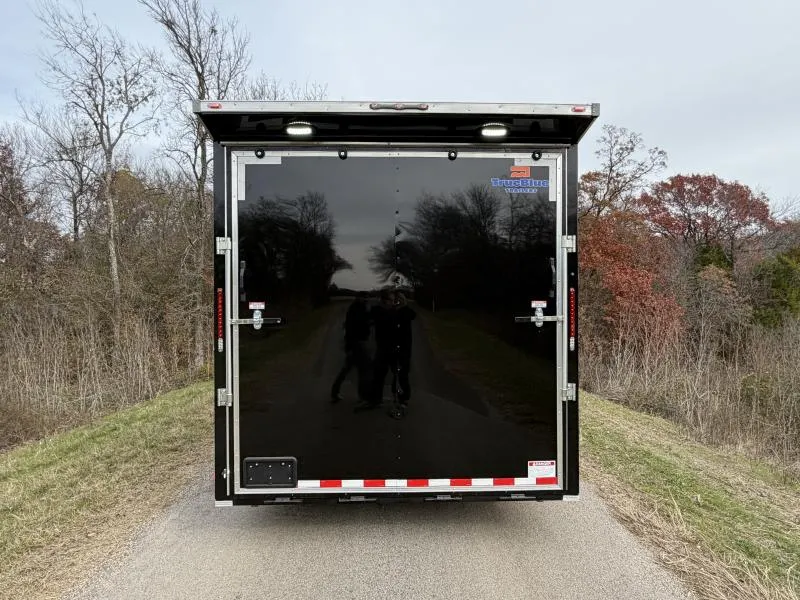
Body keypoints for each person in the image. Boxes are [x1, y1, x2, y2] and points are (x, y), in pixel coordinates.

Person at [366, 288, 416, 410]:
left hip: (398, 351)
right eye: (392, 300)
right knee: (378, 374)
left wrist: (403, 305)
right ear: (384, 300)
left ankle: (402, 399)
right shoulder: (378, 311)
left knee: (401, 375)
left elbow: (411, 315)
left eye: (396, 300)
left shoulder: (401, 312)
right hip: (383, 350)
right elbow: (370, 319)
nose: (394, 302)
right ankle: (376, 399)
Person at [330, 292, 371, 402]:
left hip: (356, 343)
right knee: (363, 369)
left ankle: (335, 392)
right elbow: (351, 329)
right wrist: (349, 346)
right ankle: (363, 396)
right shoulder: (356, 310)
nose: (366, 300)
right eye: (364, 298)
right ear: (359, 298)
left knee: (347, 369)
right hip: (357, 343)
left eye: (366, 298)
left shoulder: (359, 309)